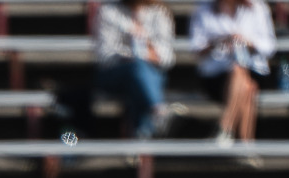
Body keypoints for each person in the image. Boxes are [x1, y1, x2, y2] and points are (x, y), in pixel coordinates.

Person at [191, 0, 272, 150]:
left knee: (239, 72)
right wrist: (219, 42)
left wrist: (247, 43)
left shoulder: (257, 8)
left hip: (253, 69)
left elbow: (269, 48)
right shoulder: (203, 10)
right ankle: (246, 148)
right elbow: (197, 49)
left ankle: (224, 128)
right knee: (248, 87)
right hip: (216, 75)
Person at [93, 0, 178, 142]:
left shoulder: (160, 12)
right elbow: (105, 56)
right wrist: (134, 51)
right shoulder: (109, 12)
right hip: (115, 73)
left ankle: (141, 137)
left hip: (151, 73)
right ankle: (158, 112)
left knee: (140, 80)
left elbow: (167, 58)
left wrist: (146, 47)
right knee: (139, 71)